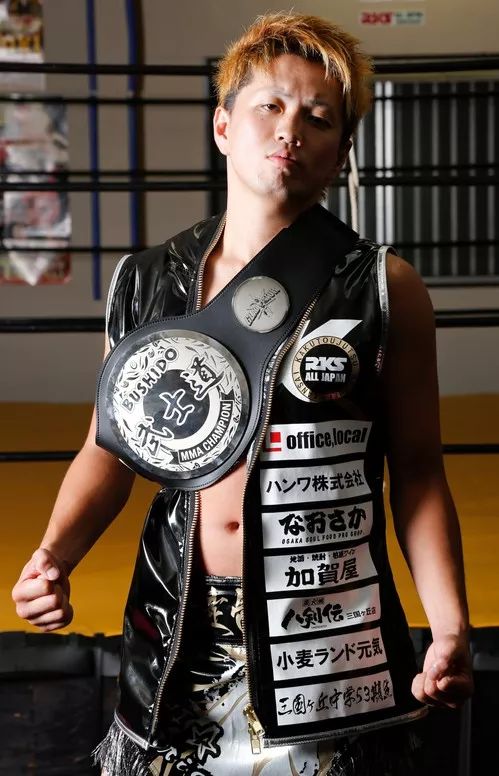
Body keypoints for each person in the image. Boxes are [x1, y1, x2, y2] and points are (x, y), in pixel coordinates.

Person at [12, 12, 473, 776]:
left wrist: (449, 625)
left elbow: (419, 471)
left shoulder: (385, 288)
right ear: (223, 126)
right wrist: (53, 555)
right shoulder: (146, 282)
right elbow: (109, 447)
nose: (290, 127)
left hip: (324, 632)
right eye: (270, 105)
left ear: (341, 154)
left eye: (318, 117)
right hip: (177, 630)